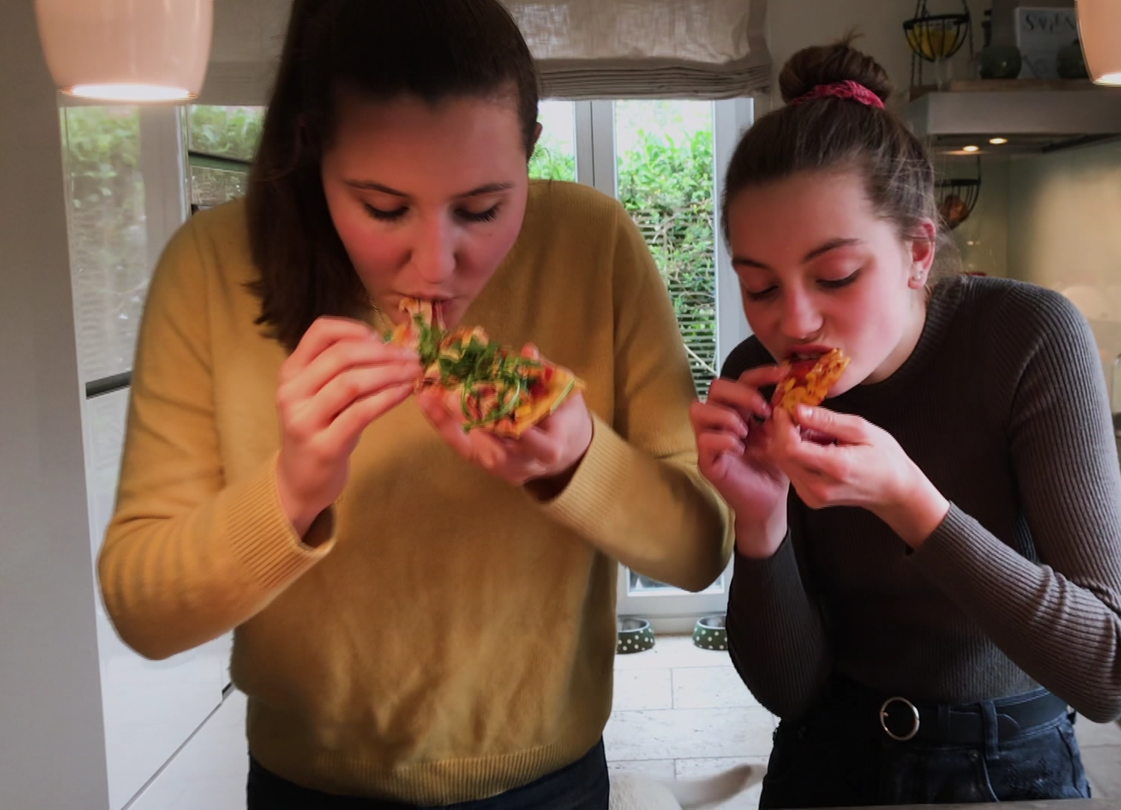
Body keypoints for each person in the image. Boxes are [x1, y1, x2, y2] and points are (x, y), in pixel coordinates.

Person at [97, 1, 732, 807]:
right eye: (384, 208)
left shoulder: (594, 244)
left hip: (550, 780)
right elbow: (143, 612)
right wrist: (292, 493)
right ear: (314, 154)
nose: (437, 264)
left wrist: (580, 460)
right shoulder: (211, 268)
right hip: (307, 786)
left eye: (482, 209)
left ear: (529, 154)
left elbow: (702, 549)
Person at [690, 39, 1121, 807]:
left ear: (917, 251)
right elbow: (789, 692)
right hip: (827, 758)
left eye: (835, 275)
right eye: (759, 287)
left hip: (1011, 760)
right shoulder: (752, 375)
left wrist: (910, 501)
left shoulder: (1028, 338)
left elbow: (1110, 673)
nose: (795, 322)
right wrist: (761, 520)